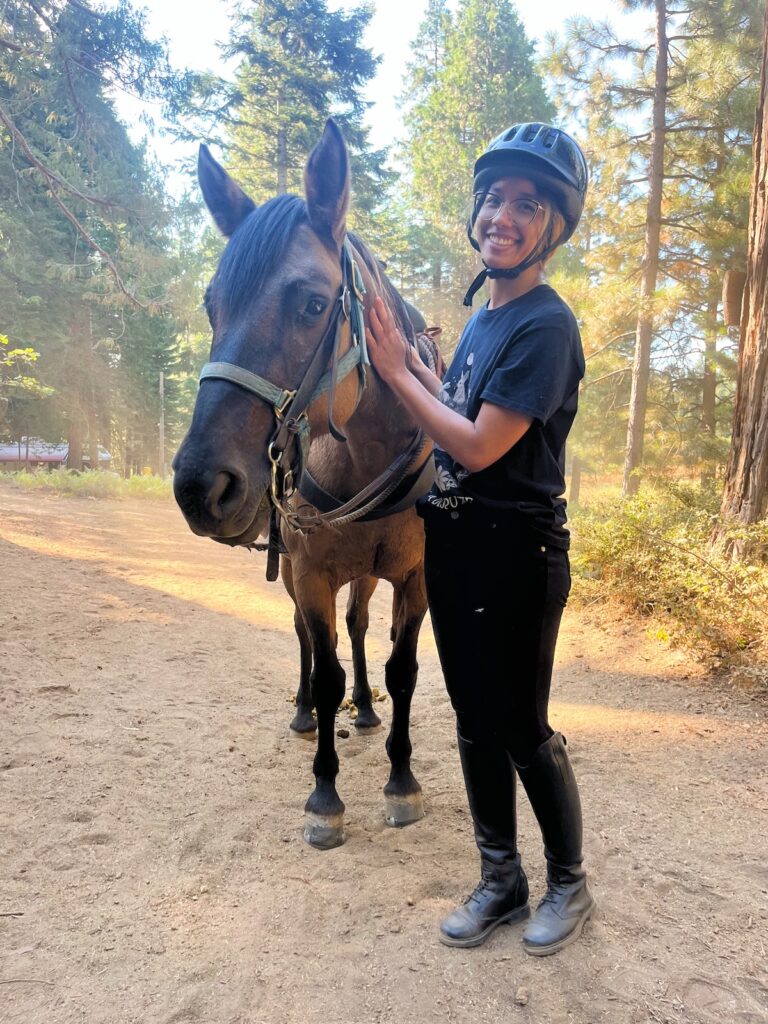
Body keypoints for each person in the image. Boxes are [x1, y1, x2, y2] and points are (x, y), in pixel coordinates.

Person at [366, 122, 594, 957]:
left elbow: (472, 444)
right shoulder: (485, 320)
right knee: (469, 720)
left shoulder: (544, 326)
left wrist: (397, 376)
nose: (505, 214)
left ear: (554, 228)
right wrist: (413, 361)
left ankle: (570, 885)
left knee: (521, 725)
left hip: (519, 554)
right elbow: (458, 404)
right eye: (495, 198)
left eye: (528, 205)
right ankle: (502, 879)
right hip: (455, 547)